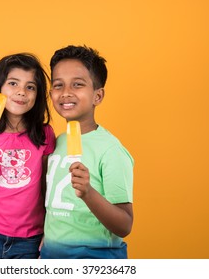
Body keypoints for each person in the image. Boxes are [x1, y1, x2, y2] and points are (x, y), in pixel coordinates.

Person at [41, 45, 134, 259]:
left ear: (97, 96)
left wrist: (88, 193)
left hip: (94, 259)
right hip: (51, 256)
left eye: (77, 84)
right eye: (58, 85)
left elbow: (125, 224)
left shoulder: (111, 150)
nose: (66, 92)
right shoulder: (58, 142)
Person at [0, 53, 55, 259]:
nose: (21, 92)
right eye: (13, 83)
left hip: (31, 237)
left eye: (30, 87)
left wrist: (50, 229)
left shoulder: (44, 134)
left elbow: (45, 186)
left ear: (38, 95)